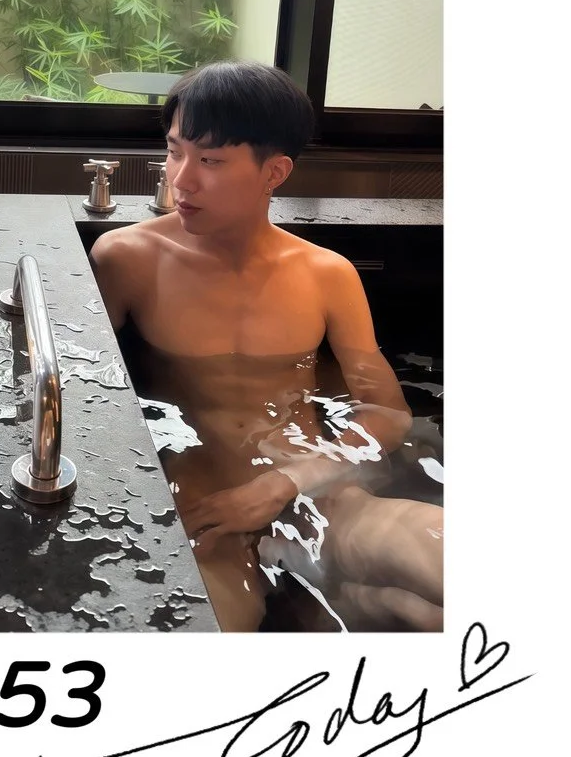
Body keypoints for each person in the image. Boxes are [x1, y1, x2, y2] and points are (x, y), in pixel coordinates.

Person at [90, 60, 443, 633]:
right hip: (199, 510)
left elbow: (387, 413)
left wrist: (284, 482)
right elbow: (89, 392)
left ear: (274, 172)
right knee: (205, 633)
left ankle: (359, 598)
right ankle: (360, 601)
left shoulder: (325, 274)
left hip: (317, 496)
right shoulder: (127, 258)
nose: (181, 180)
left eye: (210, 161)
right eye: (175, 152)